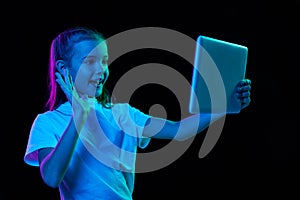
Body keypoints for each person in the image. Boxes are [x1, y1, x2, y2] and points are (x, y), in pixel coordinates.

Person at [24, 26, 251, 200]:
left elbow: (179, 130)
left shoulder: (122, 114)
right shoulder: (48, 122)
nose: (100, 70)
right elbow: (52, 177)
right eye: (89, 61)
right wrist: (79, 117)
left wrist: (224, 105)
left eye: (104, 61)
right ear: (63, 69)